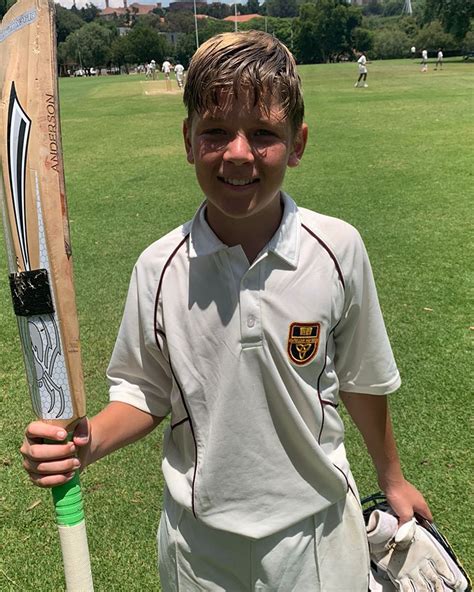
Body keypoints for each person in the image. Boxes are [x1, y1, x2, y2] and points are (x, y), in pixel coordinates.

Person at [20, 31, 433, 591]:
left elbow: (363, 379)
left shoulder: (338, 249)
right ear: (188, 140)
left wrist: (393, 477)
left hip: (316, 529)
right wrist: (86, 442)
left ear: (298, 143)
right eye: (216, 131)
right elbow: (143, 392)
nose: (238, 153)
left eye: (263, 133)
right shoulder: (158, 267)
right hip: (198, 543)